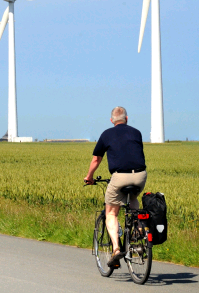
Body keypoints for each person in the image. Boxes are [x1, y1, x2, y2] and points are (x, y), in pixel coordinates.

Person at [84, 106, 147, 267]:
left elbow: (96, 160)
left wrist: (89, 177)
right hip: (140, 175)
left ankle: (117, 249)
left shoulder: (107, 134)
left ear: (112, 120)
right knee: (133, 199)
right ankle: (140, 230)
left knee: (111, 213)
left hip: (120, 176)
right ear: (127, 119)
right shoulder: (136, 132)